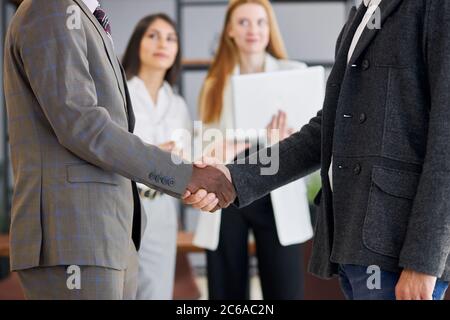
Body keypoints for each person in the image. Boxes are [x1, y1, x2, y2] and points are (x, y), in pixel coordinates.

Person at [186, 0, 450, 300]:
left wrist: (424, 263)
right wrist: (234, 176)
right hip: (352, 243)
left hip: (397, 252)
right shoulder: (360, 15)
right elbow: (325, 130)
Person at [4, 0, 234, 300]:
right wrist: (184, 174)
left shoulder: (86, 16)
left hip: (111, 234)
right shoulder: (53, 7)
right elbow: (81, 124)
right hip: (76, 234)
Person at [194, 0, 313, 300]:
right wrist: (236, 144)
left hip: (277, 192)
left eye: (260, 22)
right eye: (244, 22)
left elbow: (313, 140)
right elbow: (204, 149)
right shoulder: (214, 84)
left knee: (284, 289)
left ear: (269, 29)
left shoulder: (294, 74)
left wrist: (278, 141)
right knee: (226, 292)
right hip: (227, 194)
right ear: (230, 31)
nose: (253, 30)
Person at [122, 14, 191, 300]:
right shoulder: (120, 93)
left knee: (156, 293)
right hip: (125, 204)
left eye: (170, 38)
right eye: (153, 35)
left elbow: (187, 162)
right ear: (138, 43)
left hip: (162, 209)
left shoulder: (178, 105)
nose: (162, 43)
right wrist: (151, 157)